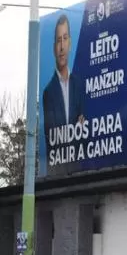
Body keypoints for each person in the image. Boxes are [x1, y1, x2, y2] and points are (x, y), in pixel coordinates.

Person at [41, 14, 86, 175]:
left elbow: (87, 131)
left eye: (65, 38)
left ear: (70, 43)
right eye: (58, 40)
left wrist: (80, 127)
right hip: (57, 172)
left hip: (80, 170)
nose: (61, 46)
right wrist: (77, 128)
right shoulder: (48, 92)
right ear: (54, 47)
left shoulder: (80, 85)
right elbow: (53, 138)